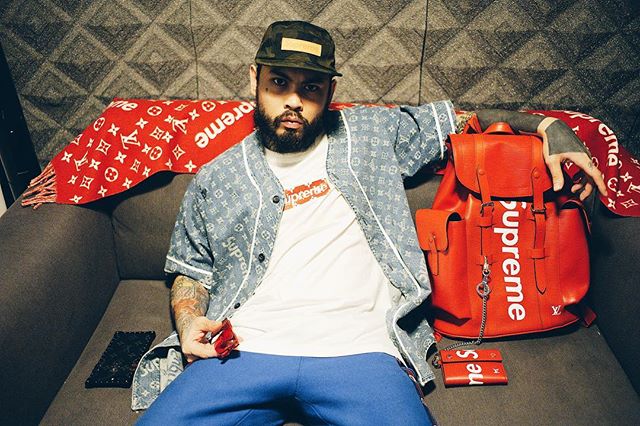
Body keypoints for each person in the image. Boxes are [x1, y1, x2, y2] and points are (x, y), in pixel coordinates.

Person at [135, 20, 606, 425]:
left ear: (330, 92)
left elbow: (459, 121)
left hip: (360, 350)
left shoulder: (371, 134)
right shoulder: (217, 177)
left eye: (311, 88)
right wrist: (189, 320)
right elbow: (191, 269)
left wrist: (548, 127)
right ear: (254, 79)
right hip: (243, 349)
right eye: (279, 83)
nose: (294, 100)